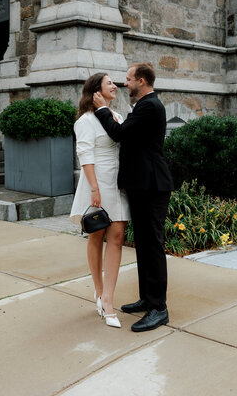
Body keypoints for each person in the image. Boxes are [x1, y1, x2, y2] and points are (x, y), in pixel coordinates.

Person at [93, 62, 173, 333]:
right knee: (143, 244)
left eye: (128, 79)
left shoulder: (150, 105)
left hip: (152, 186)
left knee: (153, 245)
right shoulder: (143, 106)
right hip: (142, 186)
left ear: (141, 80)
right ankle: (147, 299)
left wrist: (102, 109)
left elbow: (120, 134)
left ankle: (159, 309)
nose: (125, 83)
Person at [70, 73, 130, 328]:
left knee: (117, 237)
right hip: (97, 183)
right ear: (96, 91)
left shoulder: (116, 116)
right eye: (109, 83)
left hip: (117, 183)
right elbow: (84, 154)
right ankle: (98, 291)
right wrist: (94, 188)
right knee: (96, 235)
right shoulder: (85, 121)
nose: (115, 86)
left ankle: (109, 298)